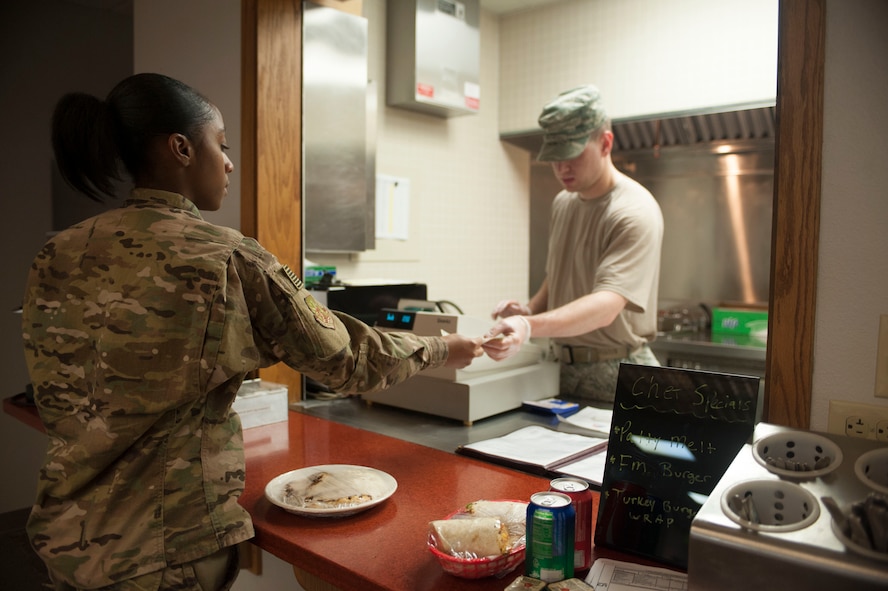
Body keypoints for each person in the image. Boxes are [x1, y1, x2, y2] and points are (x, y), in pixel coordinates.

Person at [21, 73, 483, 591]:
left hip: (63, 538)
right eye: (220, 145)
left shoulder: (56, 253)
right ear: (180, 148)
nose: (229, 163)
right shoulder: (223, 256)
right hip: (164, 552)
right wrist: (445, 347)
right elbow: (349, 361)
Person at [483, 84, 663, 403]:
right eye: (554, 157)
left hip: (619, 371)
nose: (562, 167)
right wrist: (531, 307)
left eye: (573, 154)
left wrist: (528, 324)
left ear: (606, 143)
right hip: (560, 368)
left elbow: (606, 306)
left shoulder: (633, 210)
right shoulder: (563, 202)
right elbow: (560, 275)